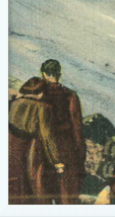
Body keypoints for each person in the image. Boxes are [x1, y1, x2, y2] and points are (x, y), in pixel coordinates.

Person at [9, 77, 64, 205]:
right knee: (33, 187)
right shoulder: (43, 108)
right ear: (41, 93)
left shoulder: (15, 102)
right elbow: (47, 136)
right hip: (28, 151)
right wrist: (56, 162)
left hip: (10, 147)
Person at [39, 58, 86, 204]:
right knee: (66, 197)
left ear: (44, 74)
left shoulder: (40, 95)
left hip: (43, 150)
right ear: (59, 74)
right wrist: (80, 155)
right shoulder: (70, 96)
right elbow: (77, 129)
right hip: (66, 149)